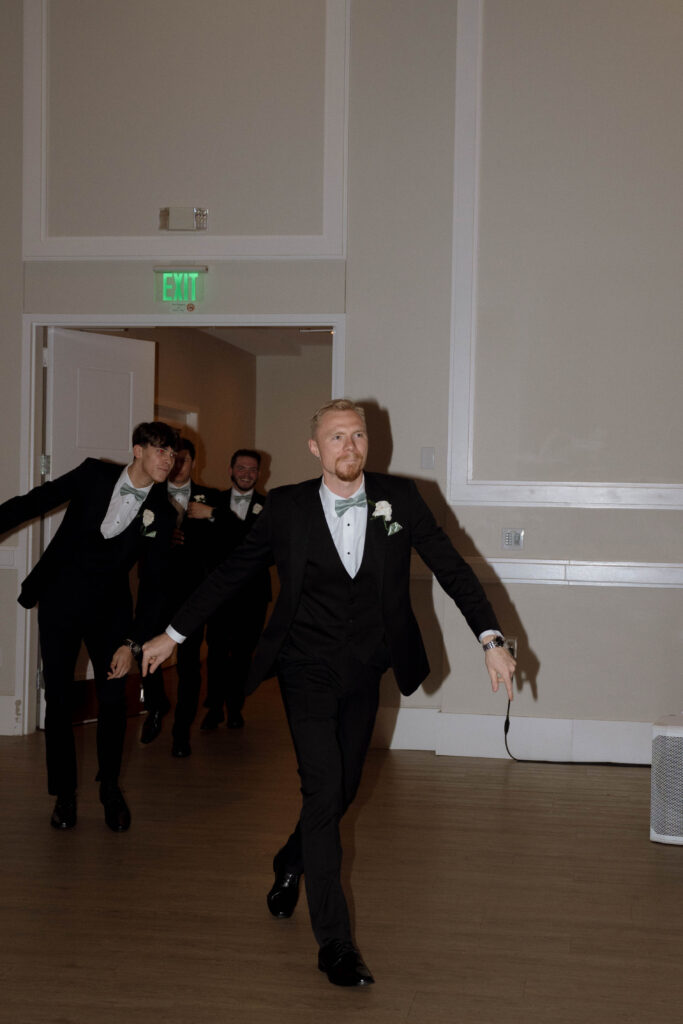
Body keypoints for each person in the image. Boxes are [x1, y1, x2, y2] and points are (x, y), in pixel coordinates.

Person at [141, 399, 516, 986]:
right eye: (336, 437)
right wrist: (172, 633)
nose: (350, 446)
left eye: (358, 435)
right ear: (316, 449)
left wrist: (492, 639)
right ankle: (335, 944)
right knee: (321, 788)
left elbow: (452, 568)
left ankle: (291, 859)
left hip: (366, 666)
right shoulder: (286, 508)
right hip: (304, 664)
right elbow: (231, 572)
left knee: (341, 790)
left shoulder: (401, 499)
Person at [0, 422, 178, 832]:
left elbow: (155, 586)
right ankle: (64, 795)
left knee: (114, 702)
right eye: (161, 450)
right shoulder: (93, 474)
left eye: (173, 454)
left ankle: (110, 789)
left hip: (112, 614)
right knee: (59, 700)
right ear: (137, 449)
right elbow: (35, 501)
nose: (168, 459)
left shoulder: (164, 513)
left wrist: (132, 643)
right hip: (60, 603)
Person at [191, 449, 271, 731]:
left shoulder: (269, 505)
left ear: (260, 474)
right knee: (215, 652)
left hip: (253, 594)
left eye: (252, 469)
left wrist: (215, 516)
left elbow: (259, 544)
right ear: (230, 470)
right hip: (219, 593)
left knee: (242, 654)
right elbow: (200, 543)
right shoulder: (212, 500)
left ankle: (236, 707)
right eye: (241, 468)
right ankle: (214, 707)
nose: (247, 474)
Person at [164, 439, 220, 757]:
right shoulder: (152, 494)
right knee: (144, 652)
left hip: (194, 595)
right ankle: (155, 704)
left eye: (184, 460)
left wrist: (211, 516)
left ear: (194, 462)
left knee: (188, 665)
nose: (178, 465)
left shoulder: (211, 498)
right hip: (156, 592)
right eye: (174, 459)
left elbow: (230, 536)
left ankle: (181, 732)